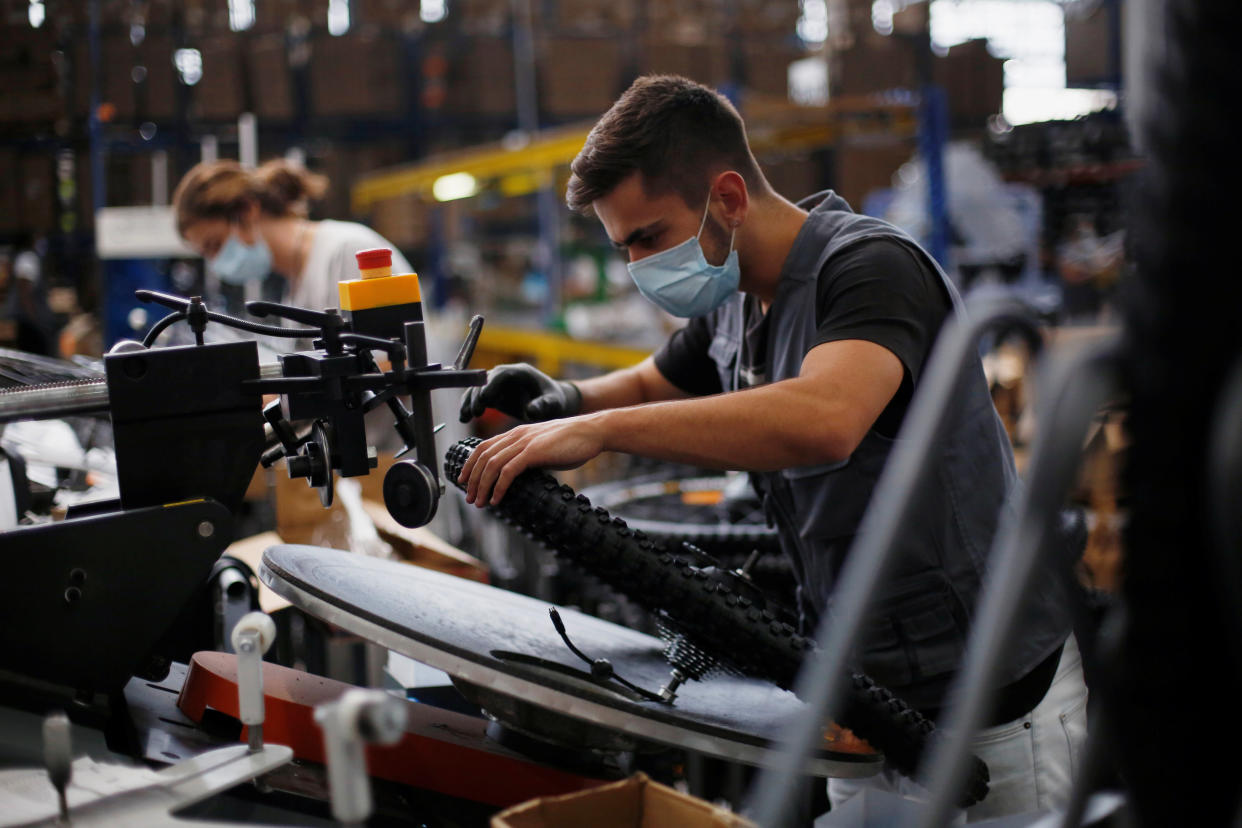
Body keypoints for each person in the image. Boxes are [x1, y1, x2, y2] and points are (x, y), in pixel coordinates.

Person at [456, 76, 1085, 821]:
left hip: (992, 701)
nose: (638, 267)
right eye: (623, 248)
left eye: (649, 238)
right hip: (867, 703)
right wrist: (564, 399)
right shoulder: (735, 299)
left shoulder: (870, 271)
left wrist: (595, 431)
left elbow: (826, 417)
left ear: (726, 198)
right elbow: (659, 380)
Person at [172, 158, 414, 315]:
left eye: (215, 245)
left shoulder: (347, 252)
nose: (217, 262)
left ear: (247, 210)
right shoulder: (295, 289)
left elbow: (391, 366)